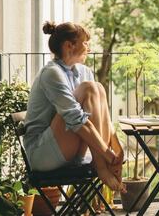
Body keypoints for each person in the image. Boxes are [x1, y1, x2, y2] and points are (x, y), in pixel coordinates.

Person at [23, 21, 125, 192]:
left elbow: (101, 117)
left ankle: (103, 164)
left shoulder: (84, 72)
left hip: (68, 147)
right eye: (85, 43)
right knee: (89, 88)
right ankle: (101, 167)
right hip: (42, 154)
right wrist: (107, 155)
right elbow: (76, 120)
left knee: (97, 87)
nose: (89, 48)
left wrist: (116, 149)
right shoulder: (51, 73)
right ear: (69, 45)